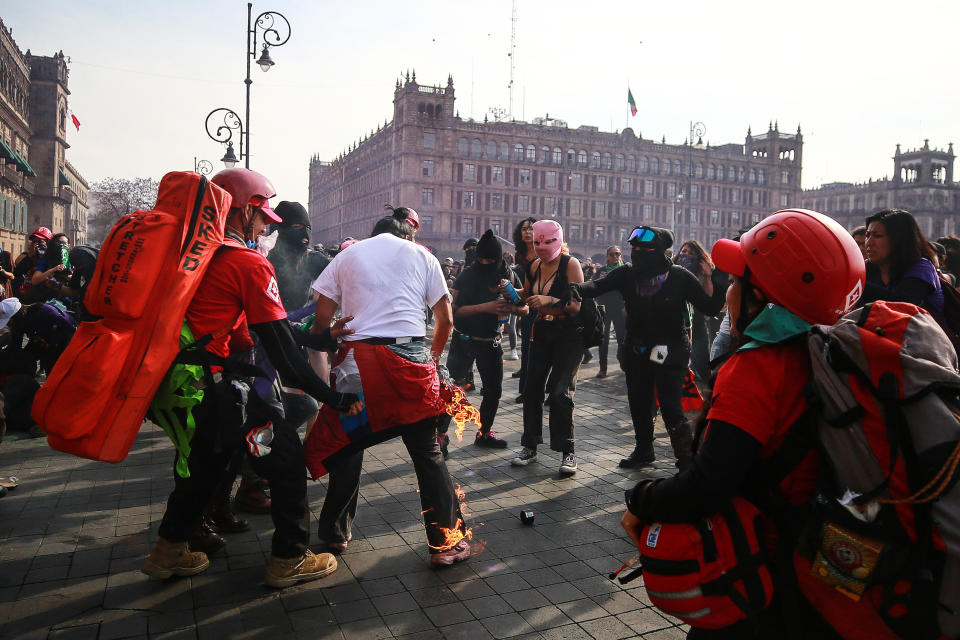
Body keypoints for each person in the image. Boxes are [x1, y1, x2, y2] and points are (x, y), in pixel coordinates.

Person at [620, 209, 865, 639]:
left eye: (737, 281)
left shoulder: (757, 368)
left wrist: (642, 498)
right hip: (820, 563)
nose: (729, 290)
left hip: (760, 570)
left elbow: (708, 485)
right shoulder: (833, 350)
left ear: (760, 297)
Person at [143, 168, 361, 588]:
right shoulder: (246, 262)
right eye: (263, 218)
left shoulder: (191, 254)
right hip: (229, 388)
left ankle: (166, 551)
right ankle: (289, 559)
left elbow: (246, 329)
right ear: (243, 211)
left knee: (204, 468)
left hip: (184, 383)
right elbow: (283, 355)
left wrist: (312, 335)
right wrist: (331, 399)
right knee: (286, 463)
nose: (266, 228)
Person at [309, 215, 471, 566]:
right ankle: (445, 545)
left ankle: (335, 534)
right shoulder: (422, 255)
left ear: (373, 234)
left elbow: (321, 322)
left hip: (356, 367)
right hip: (408, 365)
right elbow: (445, 320)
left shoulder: (347, 256)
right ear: (406, 234)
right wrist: (434, 358)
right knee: (427, 454)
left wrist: (332, 348)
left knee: (349, 447)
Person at [575, 226, 725, 470]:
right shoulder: (626, 273)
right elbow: (597, 286)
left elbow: (710, 307)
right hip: (636, 349)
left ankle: (686, 458)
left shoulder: (679, 276)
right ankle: (644, 450)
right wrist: (575, 288)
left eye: (644, 249)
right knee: (639, 401)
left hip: (672, 350)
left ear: (659, 251)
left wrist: (714, 278)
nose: (637, 253)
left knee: (670, 405)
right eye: (634, 248)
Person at [510, 219, 584, 475]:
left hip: (569, 335)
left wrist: (549, 299)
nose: (541, 247)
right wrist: (509, 291)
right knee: (532, 390)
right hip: (541, 331)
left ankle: (568, 452)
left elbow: (575, 305)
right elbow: (527, 294)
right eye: (538, 241)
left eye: (547, 241)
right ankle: (529, 446)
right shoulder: (534, 265)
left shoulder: (570, 264)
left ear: (558, 239)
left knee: (561, 392)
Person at [440, 229, 524, 453]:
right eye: (481, 259)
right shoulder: (468, 274)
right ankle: (441, 436)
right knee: (454, 389)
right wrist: (484, 307)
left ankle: (484, 432)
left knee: (493, 390)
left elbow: (523, 306)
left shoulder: (507, 275)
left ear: (498, 260)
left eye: (490, 260)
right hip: (464, 339)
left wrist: (512, 308)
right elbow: (453, 311)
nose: (485, 263)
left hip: (491, 341)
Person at [861, 209, 944, 323]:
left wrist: (857, 285)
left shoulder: (921, 267)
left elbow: (903, 304)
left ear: (899, 239)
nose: (869, 242)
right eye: (867, 235)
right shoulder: (869, 268)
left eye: (878, 236)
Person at [268, 201, 331, 311]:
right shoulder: (263, 260)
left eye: (308, 228)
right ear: (279, 230)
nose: (305, 234)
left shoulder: (312, 259)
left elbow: (342, 273)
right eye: (297, 227)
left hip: (298, 325)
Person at [674, 240, 716, 382]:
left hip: (696, 320)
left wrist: (708, 276)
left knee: (701, 358)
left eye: (691, 253)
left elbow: (708, 296)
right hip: (674, 319)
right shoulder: (672, 268)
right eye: (684, 251)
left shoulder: (701, 272)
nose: (686, 255)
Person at [511, 218, 538, 398]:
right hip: (526, 303)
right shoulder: (519, 254)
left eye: (531, 229)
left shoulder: (543, 250)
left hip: (544, 302)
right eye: (524, 229)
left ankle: (546, 388)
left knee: (543, 347)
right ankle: (525, 390)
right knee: (527, 346)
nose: (527, 232)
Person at [593, 246, 627, 379]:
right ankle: (603, 368)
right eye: (612, 254)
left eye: (617, 254)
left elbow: (630, 290)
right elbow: (593, 289)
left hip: (620, 308)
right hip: (604, 308)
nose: (615, 257)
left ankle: (622, 359)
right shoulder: (601, 271)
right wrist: (599, 280)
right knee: (603, 340)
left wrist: (626, 306)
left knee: (622, 339)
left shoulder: (625, 271)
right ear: (607, 256)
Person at [12, 227, 52, 302]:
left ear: (48, 242)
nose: (37, 245)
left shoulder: (52, 258)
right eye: (34, 242)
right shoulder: (30, 257)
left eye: (40, 242)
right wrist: (30, 255)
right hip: (26, 296)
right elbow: (17, 272)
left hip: (43, 298)